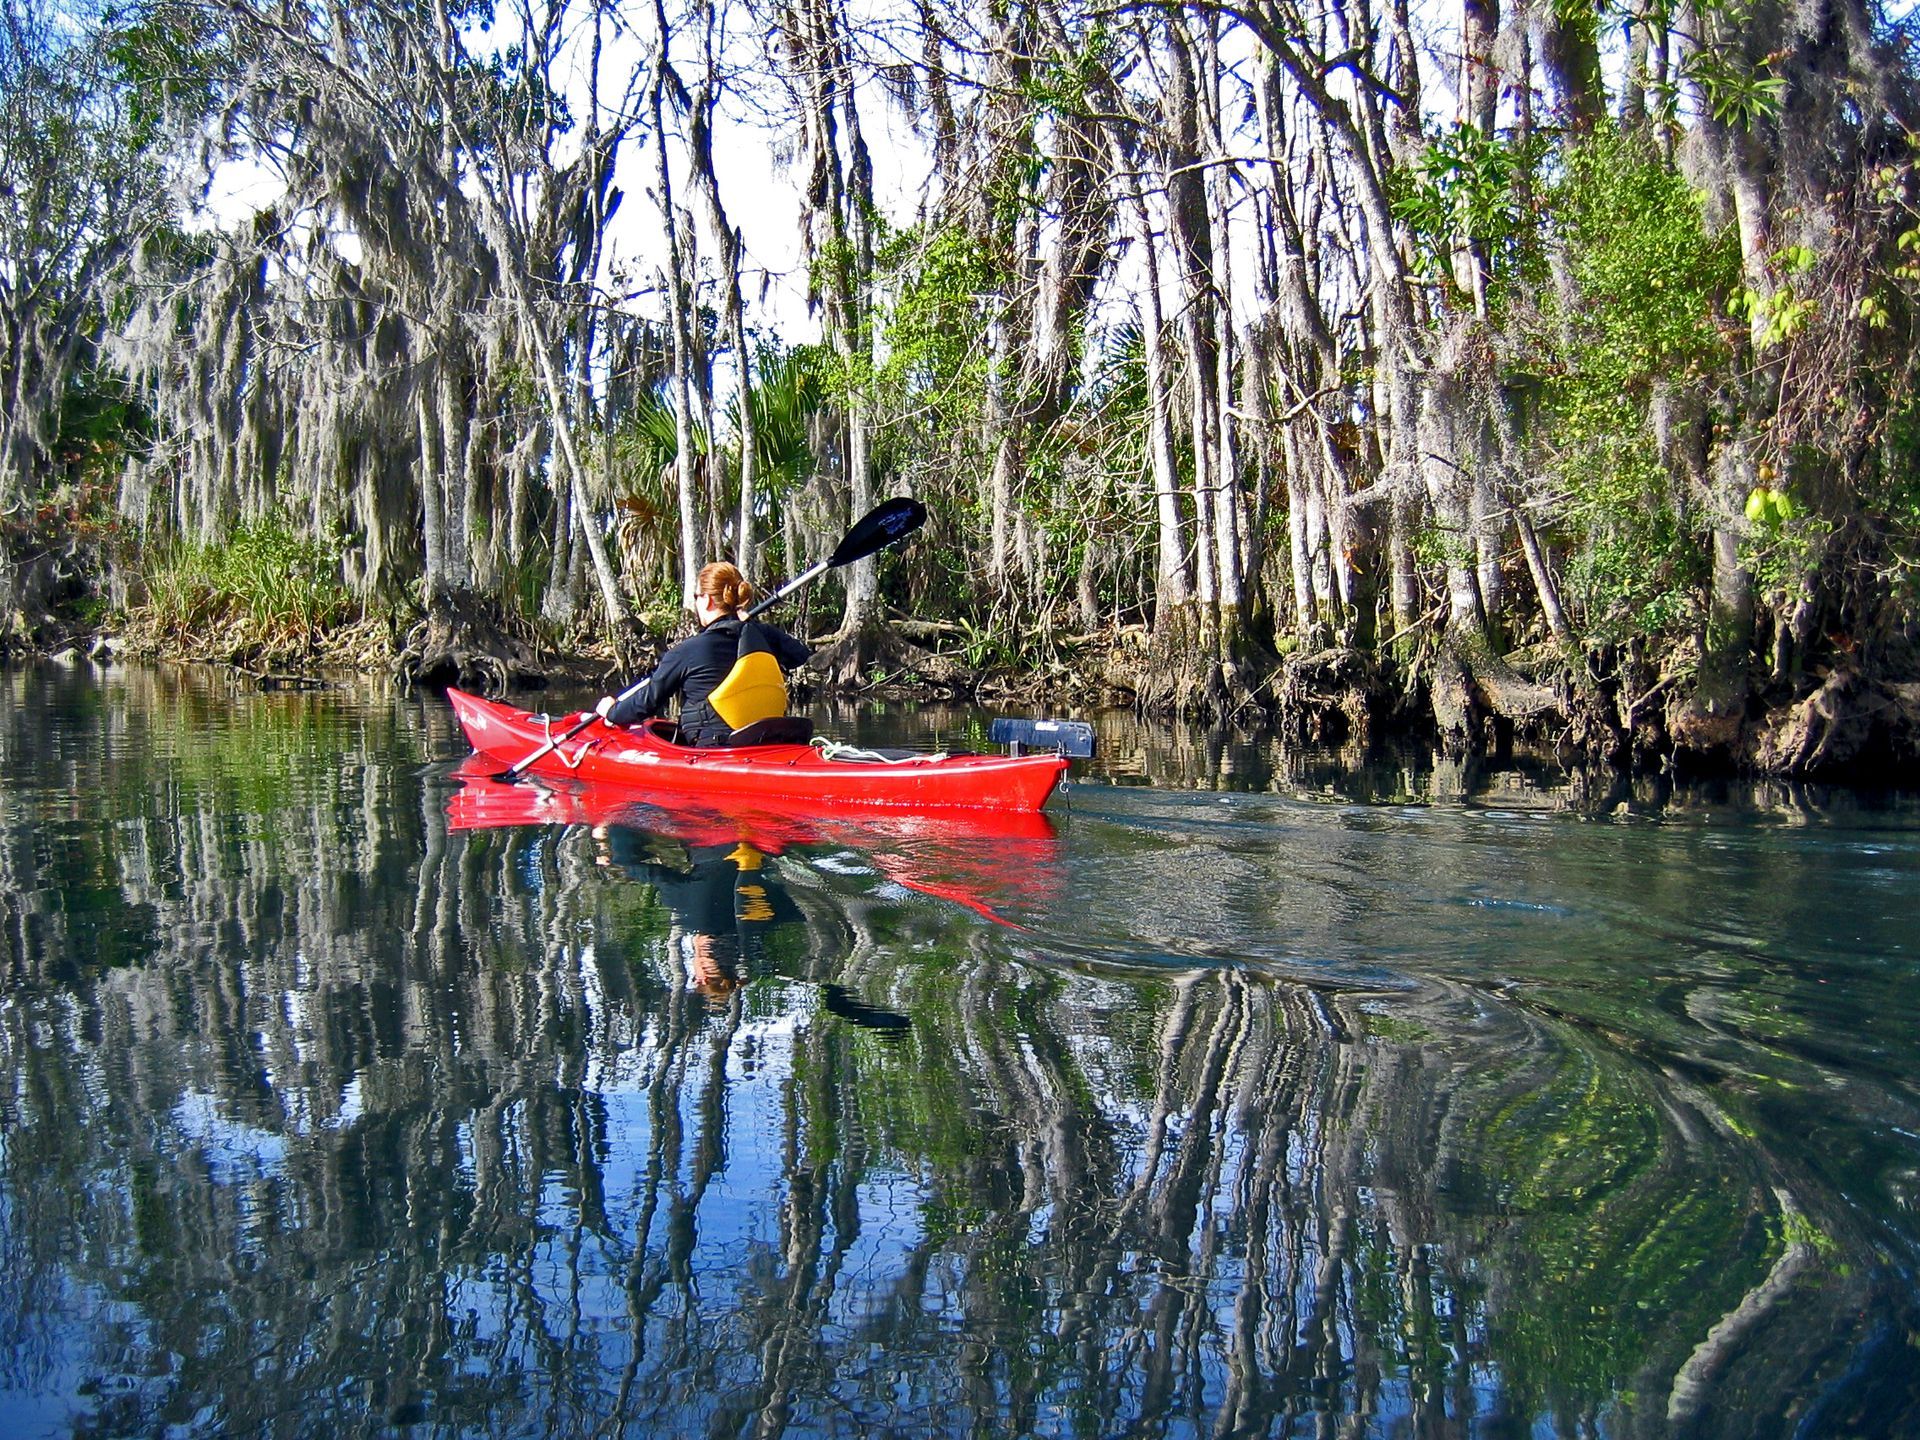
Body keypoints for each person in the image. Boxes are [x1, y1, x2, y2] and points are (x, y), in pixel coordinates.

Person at [595, 561, 810, 746]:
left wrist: (612, 712)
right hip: (764, 740)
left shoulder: (687, 651)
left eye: (696, 596)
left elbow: (647, 703)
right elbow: (799, 655)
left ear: (706, 600)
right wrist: (753, 625)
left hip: (714, 747)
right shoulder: (760, 636)